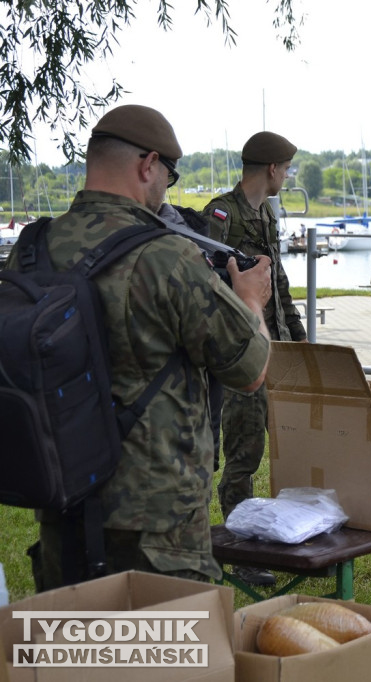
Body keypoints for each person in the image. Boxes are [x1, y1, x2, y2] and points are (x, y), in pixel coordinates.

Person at [5, 104, 272, 590]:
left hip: (63, 503)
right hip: (158, 526)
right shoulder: (167, 256)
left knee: (81, 661)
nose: (164, 190)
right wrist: (250, 300)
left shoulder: (33, 248)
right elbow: (250, 368)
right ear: (148, 164)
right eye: (167, 176)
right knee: (165, 661)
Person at [203, 131, 307, 587]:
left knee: (289, 446)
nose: (287, 175)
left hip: (275, 349)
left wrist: (301, 343)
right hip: (240, 353)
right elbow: (203, 280)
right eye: (286, 168)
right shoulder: (221, 214)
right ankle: (241, 550)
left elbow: (278, 283)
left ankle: (289, 534)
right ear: (271, 169)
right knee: (244, 455)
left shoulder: (266, 213)